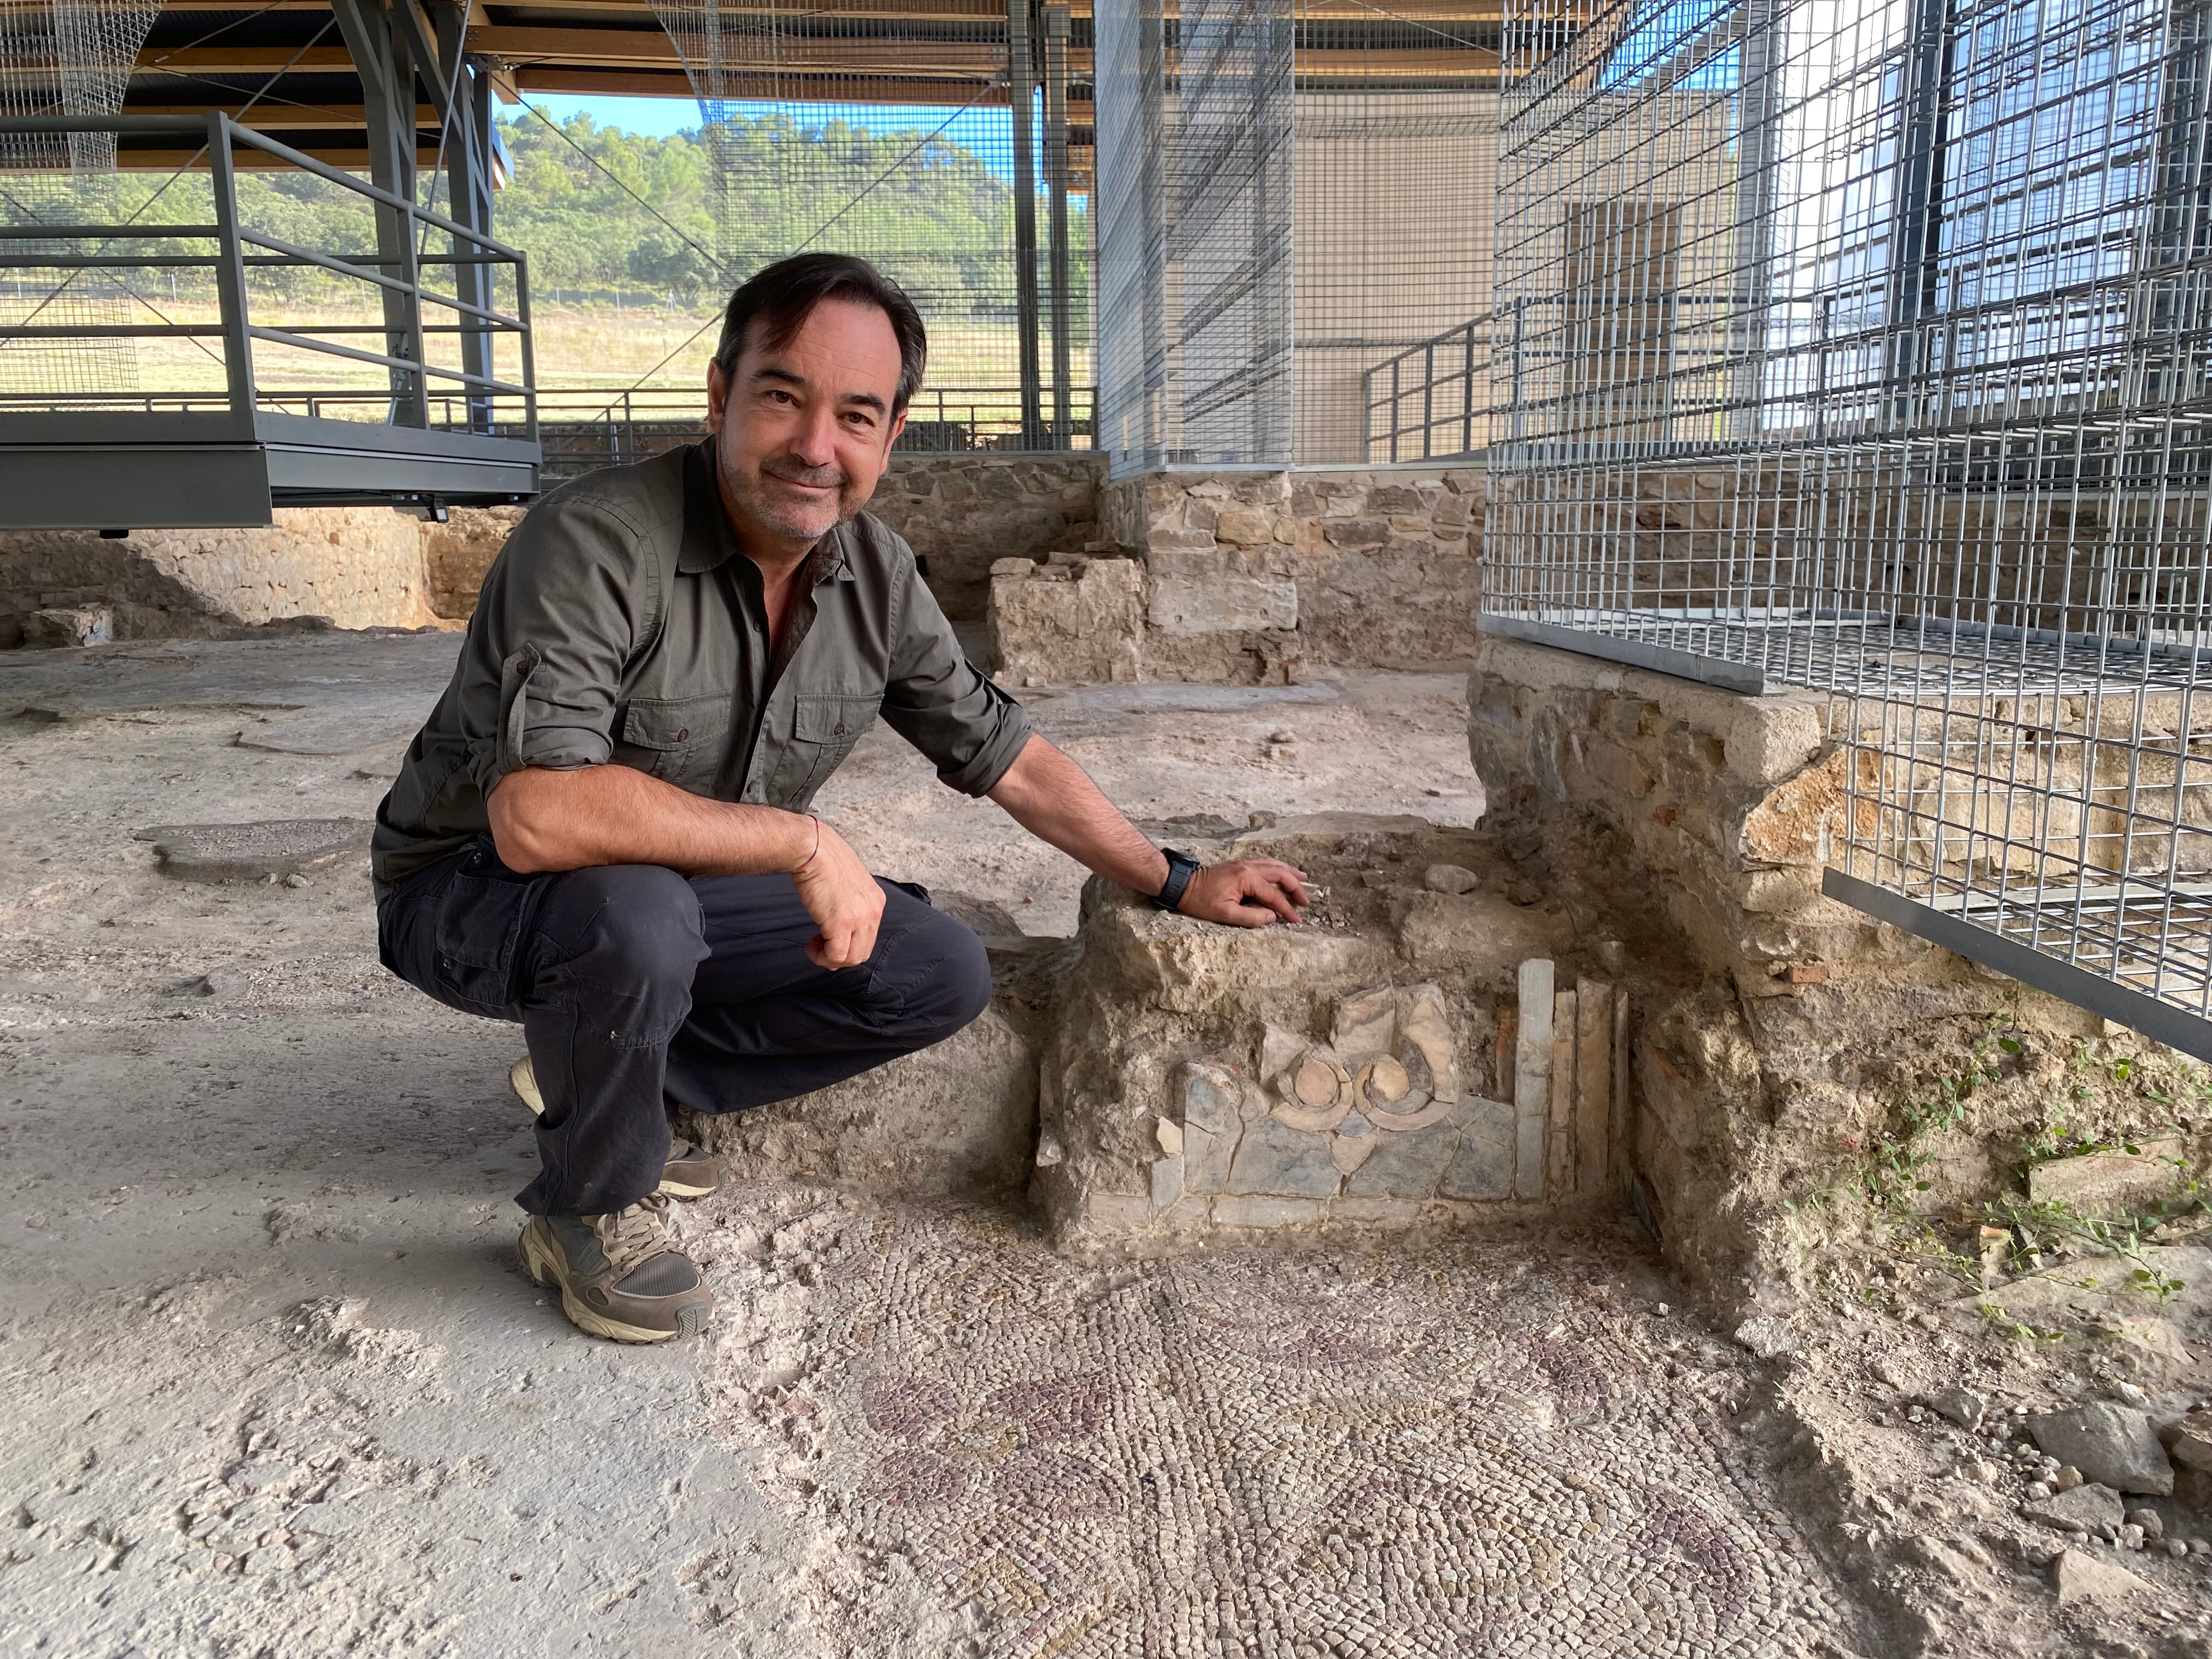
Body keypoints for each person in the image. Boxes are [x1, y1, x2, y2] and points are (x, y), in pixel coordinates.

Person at [372, 252, 1310, 1345]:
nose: (816, 447)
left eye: (855, 416)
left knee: (930, 970)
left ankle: (609, 1071)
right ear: (722, 394)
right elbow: (537, 818)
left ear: (890, 435)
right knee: (638, 911)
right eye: (783, 398)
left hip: (663, 903)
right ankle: (587, 1203)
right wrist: (803, 842)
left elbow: (1009, 754)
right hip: (470, 896)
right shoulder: (600, 540)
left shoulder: (875, 573)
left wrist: (1176, 878)